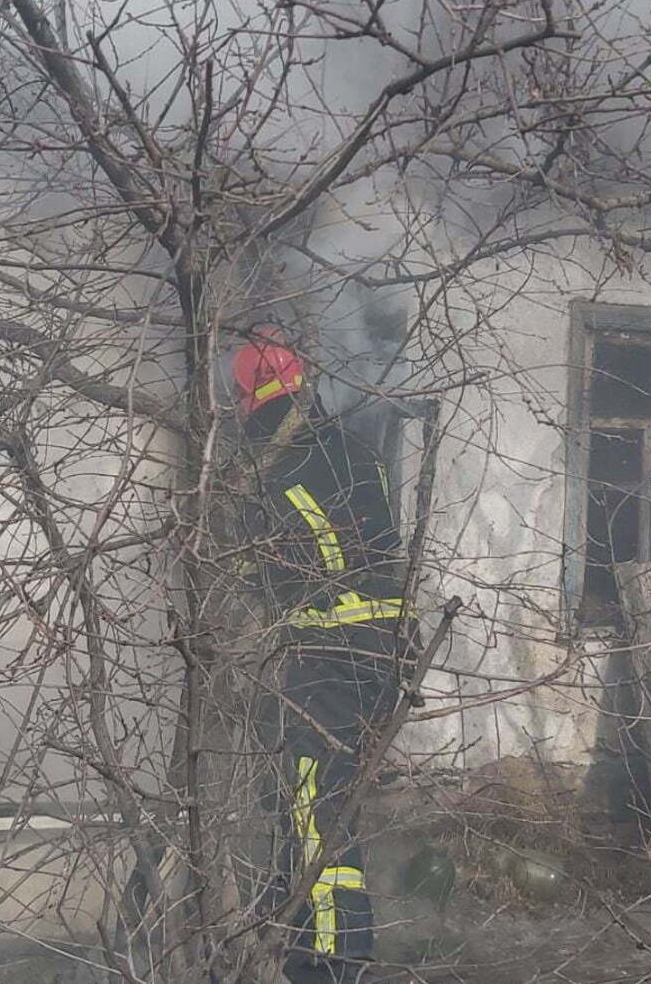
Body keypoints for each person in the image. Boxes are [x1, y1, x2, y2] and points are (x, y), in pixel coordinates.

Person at [232, 331, 413, 984]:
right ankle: (301, 949)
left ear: (247, 397)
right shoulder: (351, 448)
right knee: (306, 805)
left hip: (331, 660)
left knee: (317, 819)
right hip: (379, 659)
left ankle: (334, 968)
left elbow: (313, 563)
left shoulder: (278, 465)